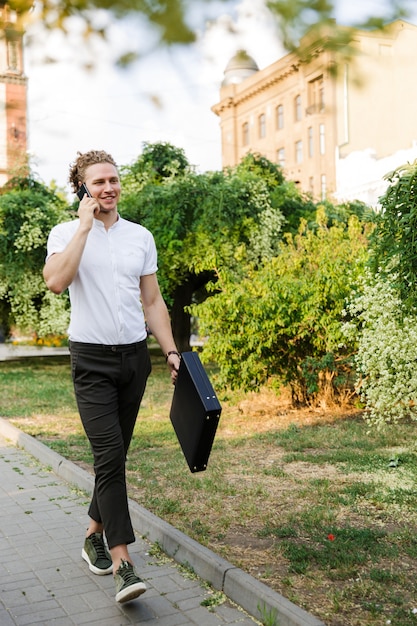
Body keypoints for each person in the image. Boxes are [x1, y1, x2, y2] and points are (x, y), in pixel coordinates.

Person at [43, 149, 181, 604]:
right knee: (109, 453)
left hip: (133, 359)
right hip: (91, 360)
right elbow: (56, 282)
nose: (108, 187)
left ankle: (92, 534)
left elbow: (153, 301)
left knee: (113, 458)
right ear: (83, 188)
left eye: (114, 180)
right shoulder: (65, 232)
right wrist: (84, 226)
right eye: (98, 181)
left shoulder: (140, 236)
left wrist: (171, 350)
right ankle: (123, 563)